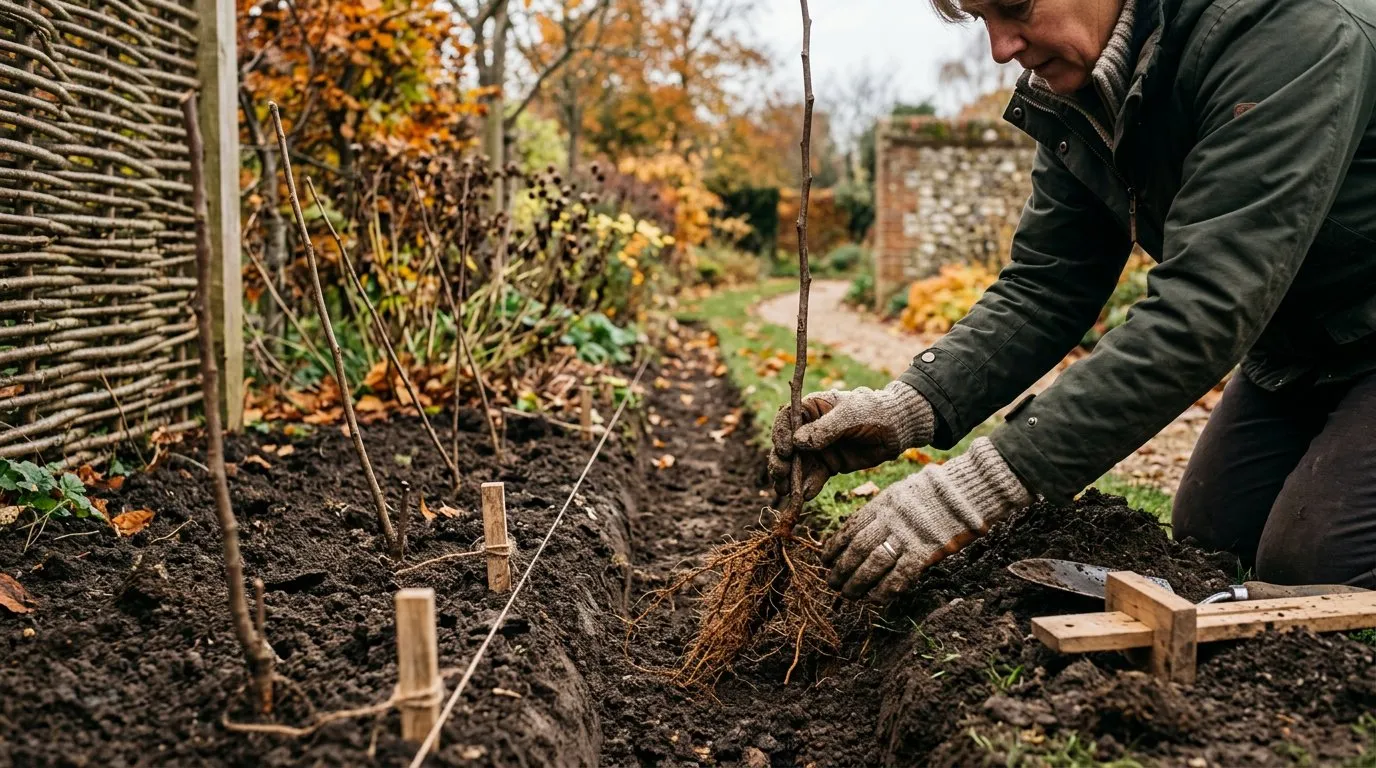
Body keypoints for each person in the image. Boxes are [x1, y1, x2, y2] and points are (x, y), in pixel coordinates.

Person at [770, 0, 1376, 603]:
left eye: (1014, 8)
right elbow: (1047, 282)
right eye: (983, 20)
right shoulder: (1086, 87)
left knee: (1314, 565)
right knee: (1211, 536)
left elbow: (1206, 303)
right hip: (1303, 350)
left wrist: (973, 490)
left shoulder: (1286, 29)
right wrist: (907, 407)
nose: (1000, 48)